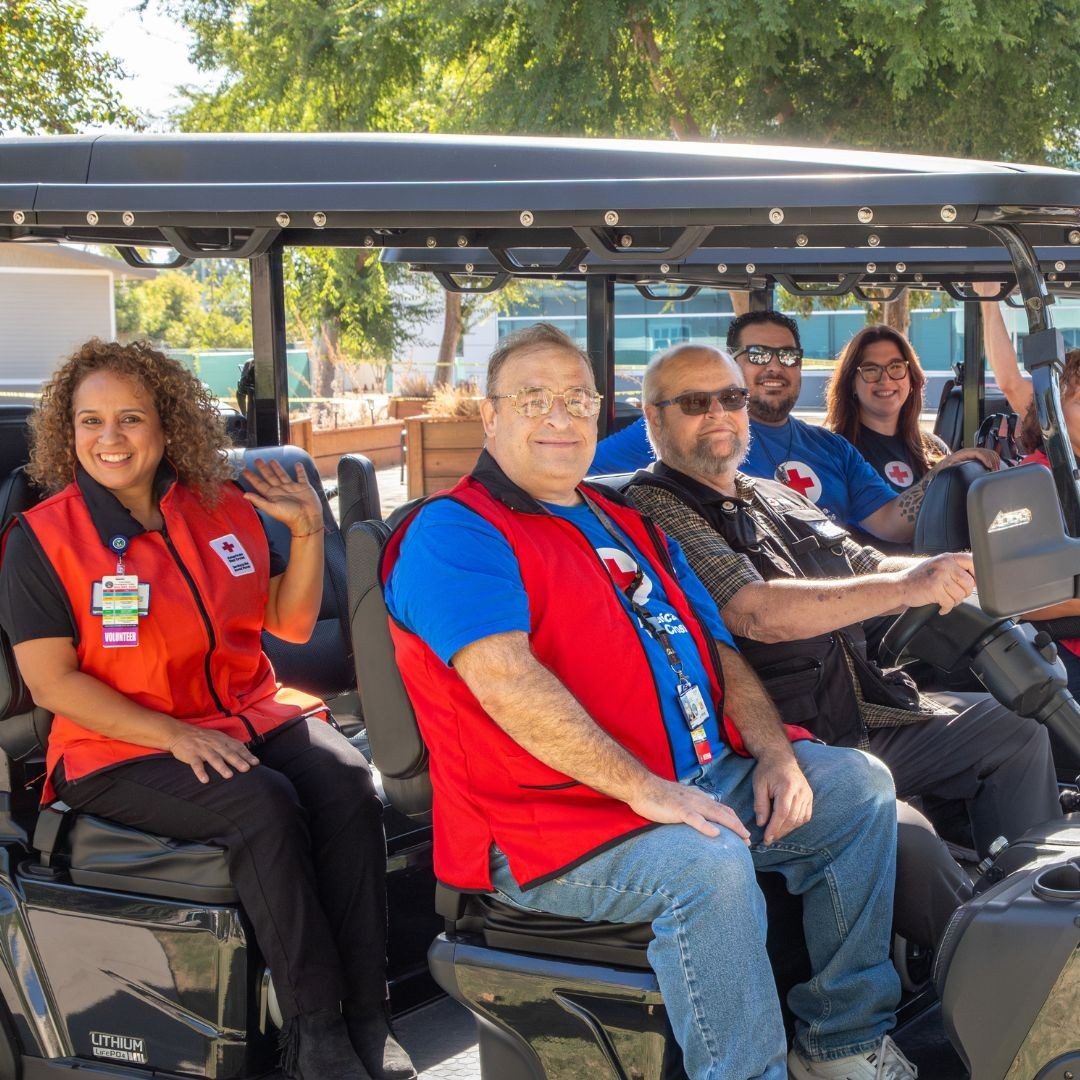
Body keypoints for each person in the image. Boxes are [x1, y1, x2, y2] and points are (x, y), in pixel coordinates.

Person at [384, 321, 915, 1080]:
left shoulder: (626, 520)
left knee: (857, 787)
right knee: (706, 863)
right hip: (550, 824)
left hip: (695, 777)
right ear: (490, 415)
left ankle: (841, 1041)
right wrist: (648, 790)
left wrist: (775, 754)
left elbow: (718, 650)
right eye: (533, 399)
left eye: (577, 398)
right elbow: (505, 681)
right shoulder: (456, 532)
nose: (560, 416)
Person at [0, 341, 415, 1080]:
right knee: (262, 805)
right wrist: (172, 734)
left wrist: (307, 533)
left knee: (349, 783)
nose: (110, 437)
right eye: (90, 421)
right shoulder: (44, 538)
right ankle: (315, 1033)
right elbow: (52, 681)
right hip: (117, 747)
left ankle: (368, 1014)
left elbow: (289, 626)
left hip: (245, 714)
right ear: (68, 432)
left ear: (168, 424)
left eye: (130, 418)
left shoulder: (218, 506)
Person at [624, 343, 1061, 882]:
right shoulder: (655, 505)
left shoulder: (774, 495)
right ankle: (974, 926)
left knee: (1015, 724)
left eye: (731, 398)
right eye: (695, 402)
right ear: (653, 417)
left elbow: (867, 563)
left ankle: (1032, 894)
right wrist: (906, 585)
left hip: (862, 706)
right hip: (784, 741)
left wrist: (952, 572)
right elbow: (753, 613)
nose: (718, 413)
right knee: (910, 839)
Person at [731, 311, 995, 543]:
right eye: (758, 355)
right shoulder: (717, 447)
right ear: (730, 364)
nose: (775, 366)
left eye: (788, 356)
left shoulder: (833, 448)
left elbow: (891, 522)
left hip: (847, 579)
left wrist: (946, 471)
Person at [977, 283, 1080, 691]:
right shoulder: (1034, 482)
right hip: (1063, 651)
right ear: (1052, 408)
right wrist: (989, 304)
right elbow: (1018, 596)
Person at [824, 325, 996, 495]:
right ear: (852, 384)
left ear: (912, 378)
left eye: (896, 367)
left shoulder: (934, 447)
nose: (885, 379)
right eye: (871, 370)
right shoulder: (834, 453)